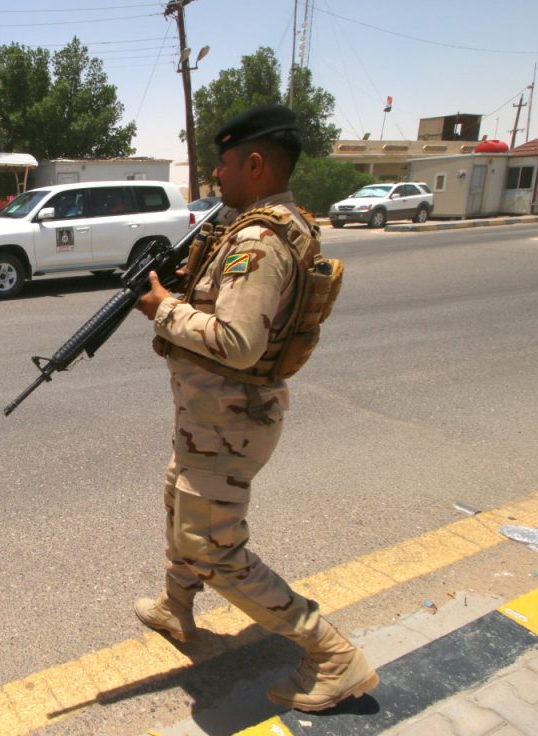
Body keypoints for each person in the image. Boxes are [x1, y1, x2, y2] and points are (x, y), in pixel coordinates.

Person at [133, 104, 377, 712]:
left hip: (229, 423)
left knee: (215, 548)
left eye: (224, 161)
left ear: (256, 163)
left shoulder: (261, 238)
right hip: (209, 418)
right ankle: (176, 608)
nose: (216, 172)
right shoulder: (253, 226)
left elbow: (239, 345)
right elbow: (226, 307)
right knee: (178, 501)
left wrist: (162, 307)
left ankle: (332, 655)